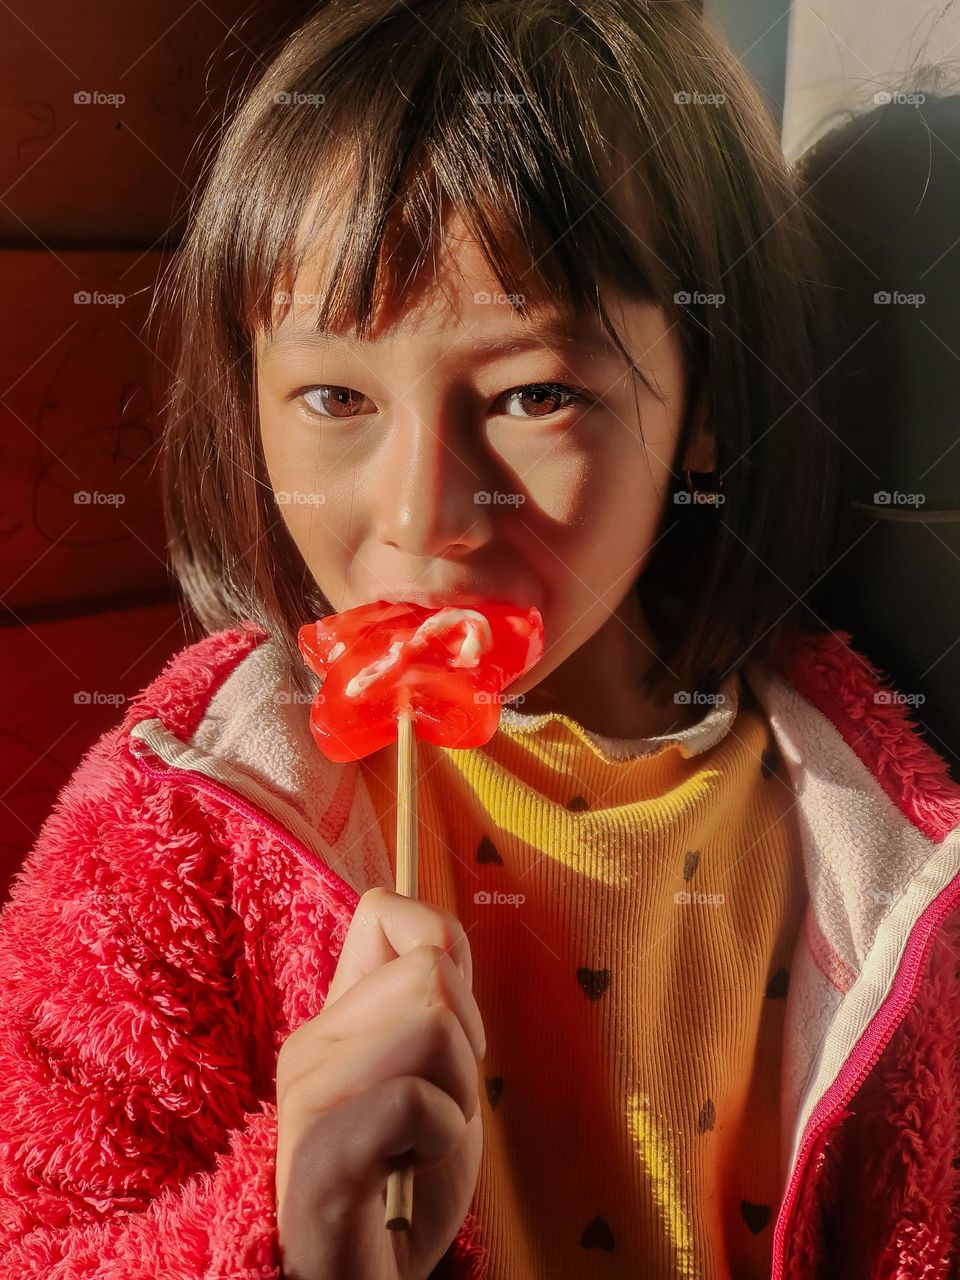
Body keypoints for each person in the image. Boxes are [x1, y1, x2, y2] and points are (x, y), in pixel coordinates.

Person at [2, 2, 959, 1277]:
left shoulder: (872, 837)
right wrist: (286, 1232)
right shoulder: (171, 829)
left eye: (533, 394)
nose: (421, 517)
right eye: (335, 395)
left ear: (709, 401)